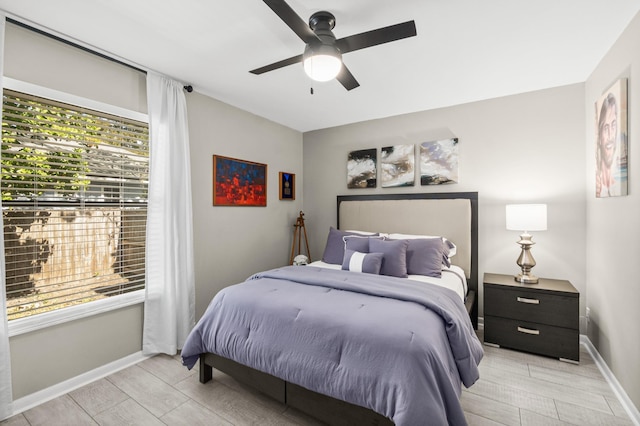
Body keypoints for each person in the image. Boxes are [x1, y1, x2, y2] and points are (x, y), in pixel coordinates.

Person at [596, 93, 619, 197]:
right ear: (599, 137)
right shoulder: (598, 188)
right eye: (606, 128)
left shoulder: (618, 187)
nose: (610, 135)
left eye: (613, 125)